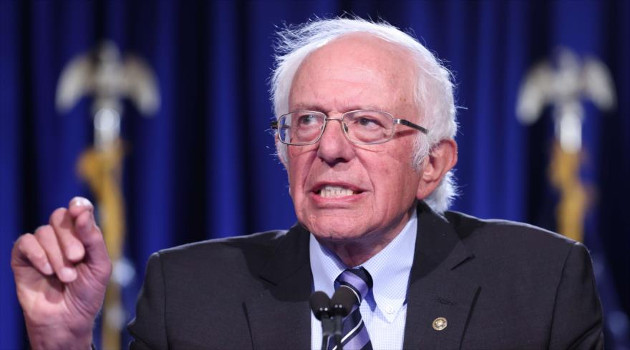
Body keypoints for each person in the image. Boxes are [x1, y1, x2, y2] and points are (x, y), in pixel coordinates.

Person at [12, 17, 603, 350]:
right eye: (307, 122)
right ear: (282, 148)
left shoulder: (539, 284)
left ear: (433, 163)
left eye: (367, 123)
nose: (330, 148)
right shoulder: (190, 293)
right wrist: (60, 341)